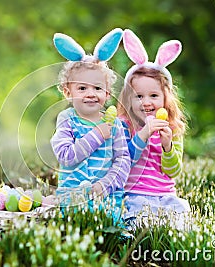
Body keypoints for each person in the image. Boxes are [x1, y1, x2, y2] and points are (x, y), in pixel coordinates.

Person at [50, 28, 131, 221]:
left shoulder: (115, 125)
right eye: (82, 88)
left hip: (107, 197)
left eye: (97, 88)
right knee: (73, 229)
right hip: (72, 198)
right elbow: (65, 155)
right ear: (67, 92)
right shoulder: (66, 119)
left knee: (110, 233)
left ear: (108, 93)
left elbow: (122, 161)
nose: (90, 93)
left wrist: (105, 185)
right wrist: (96, 135)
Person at [117, 29, 191, 230]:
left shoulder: (172, 128)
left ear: (165, 98)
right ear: (128, 99)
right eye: (139, 96)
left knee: (180, 225)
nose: (146, 102)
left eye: (153, 96)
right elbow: (122, 164)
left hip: (165, 196)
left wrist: (167, 147)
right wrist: (142, 134)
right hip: (134, 195)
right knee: (140, 225)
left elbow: (173, 171)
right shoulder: (124, 125)